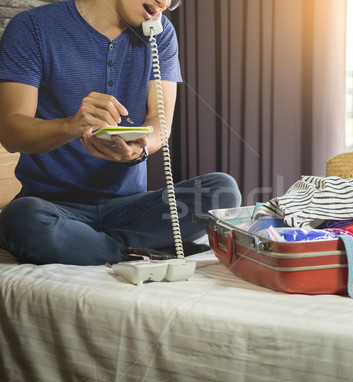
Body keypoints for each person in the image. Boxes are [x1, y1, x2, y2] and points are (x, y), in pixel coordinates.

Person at [0, 0, 241, 265]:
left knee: (223, 190)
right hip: (53, 206)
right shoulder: (32, 27)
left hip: (130, 206)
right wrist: (72, 125)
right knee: (20, 218)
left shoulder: (161, 34)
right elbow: (11, 133)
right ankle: (142, 248)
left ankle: (103, 247)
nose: (166, 2)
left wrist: (141, 148)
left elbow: (160, 124)